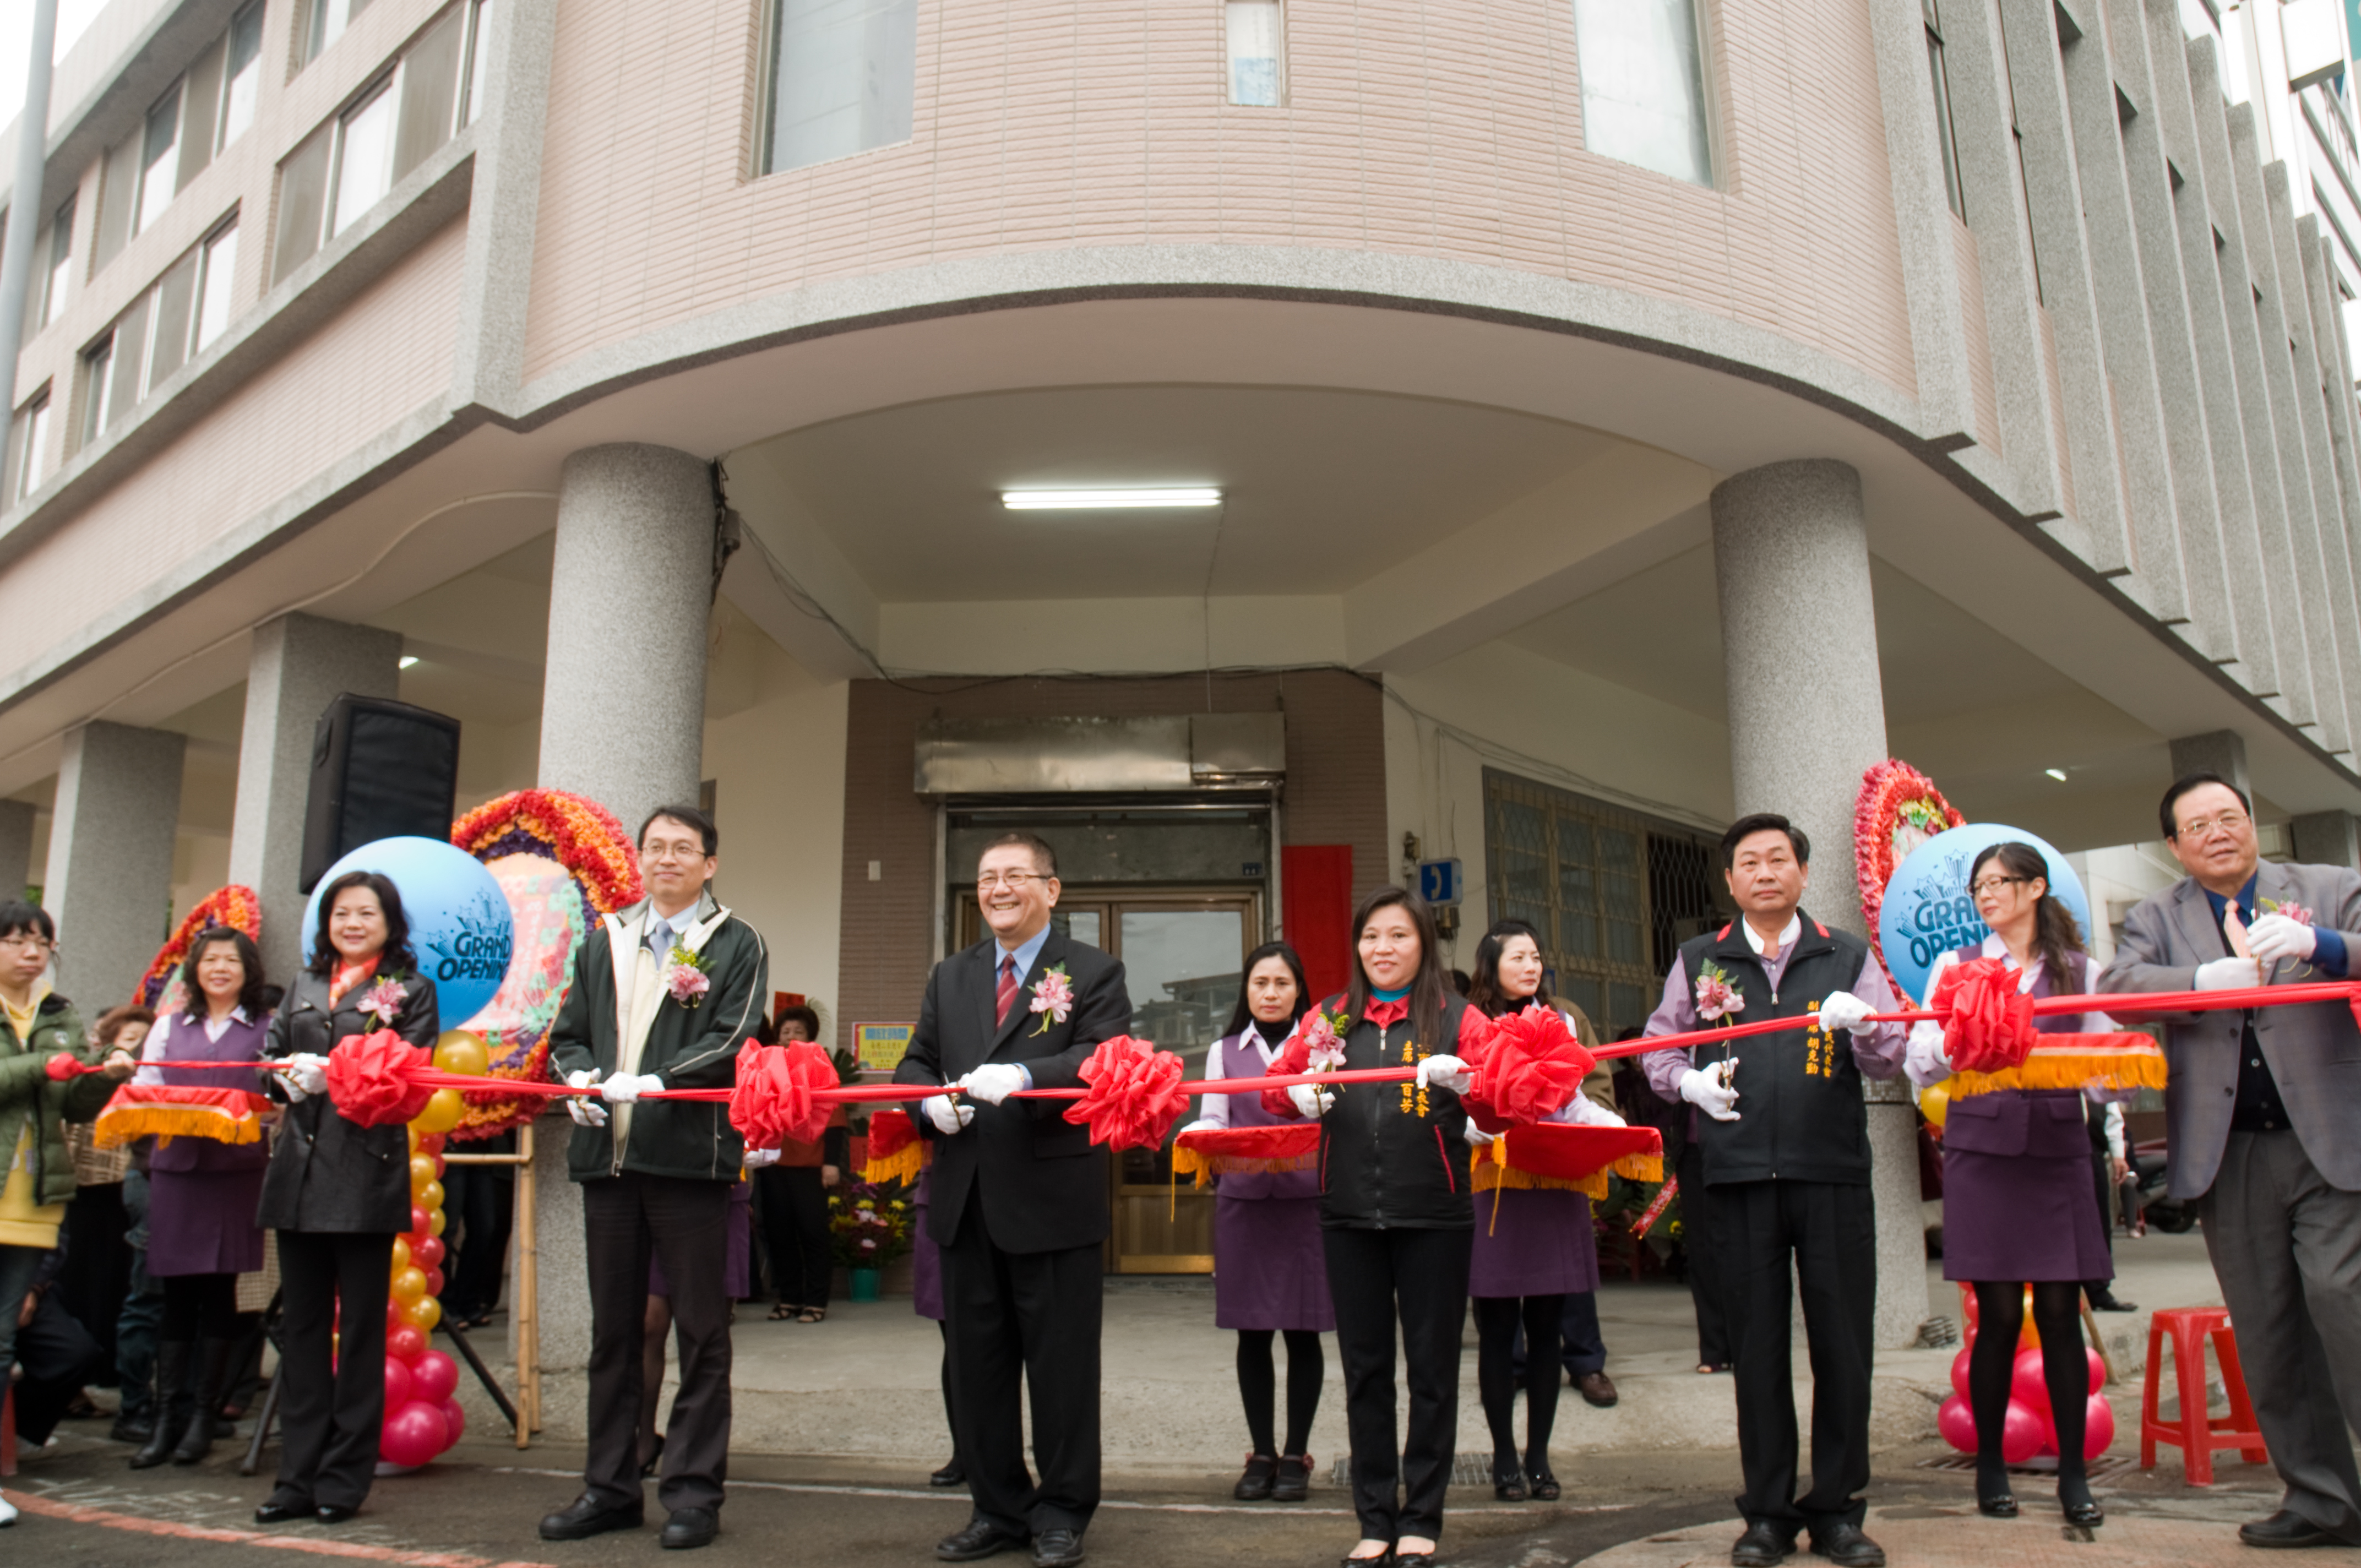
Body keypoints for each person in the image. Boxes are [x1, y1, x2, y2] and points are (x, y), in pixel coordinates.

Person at [2098, 772, 2361, 1550]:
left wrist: (2326, 946)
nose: (2218, 832)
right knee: (2269, 1330)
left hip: (2329, 1143)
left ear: (2251, 823)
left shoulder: (2328, 886)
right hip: (2229, 1153)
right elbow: (2120, 987)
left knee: (2345, 1304)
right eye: (2198, 825)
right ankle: (2322, 1502)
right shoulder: (2158, 916)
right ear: (2175, 847)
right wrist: (2201, 982)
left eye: (2230, 817)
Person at [1638, 815, 1907, 1568]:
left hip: (1831, 1176)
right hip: (1738, 1177)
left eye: (1778, 859)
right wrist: (1688, 1082)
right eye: (1749, 862)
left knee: (1843, 1349)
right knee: (1756, 1352)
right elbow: (1658, 1052)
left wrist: (1864, 1029)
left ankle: (1840, 1512)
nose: (1764, 872)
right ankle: (1766, 1513)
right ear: (1729, 881)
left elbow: (1889, 1061)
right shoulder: (1700, 960)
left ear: (1801, 872)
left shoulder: (1846, 956)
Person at [892, 831, 1130, 1568]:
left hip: (1052, 1201)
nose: (999, 888)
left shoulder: (1092, 970)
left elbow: (1102, 1056)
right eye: (988, 877)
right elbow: (915, 1063)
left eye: (1016, 876)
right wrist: (926, 1107)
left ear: (1051, 890)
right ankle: (997, 1507)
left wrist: (1029, 1078)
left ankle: (1062, 1510)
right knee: (977, 1369)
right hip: (967, 1201)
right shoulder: (951, 975)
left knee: (1061, 1371)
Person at [540, 804, 766, 1553]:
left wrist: (658, 1080)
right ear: (641, 859)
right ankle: (609, 1487)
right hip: (608, 1161)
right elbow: (568, 1034)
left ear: (710, 864)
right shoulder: (605, 937)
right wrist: (577, 1080)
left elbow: (735, 1037)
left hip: (689, 1163)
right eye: (656, 847)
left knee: (702, 1333)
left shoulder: (736, 942)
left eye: (684, 849)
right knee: (614, 1334)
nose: (667, 859)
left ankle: (695, 1493)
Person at [1265, 887, 1494, 1568]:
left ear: (1423, 942)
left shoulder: (1458, 1016)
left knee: (1431, 1371)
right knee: (1366, 1371)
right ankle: (1374, 1518)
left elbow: (1503, 1090)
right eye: (1371, 937)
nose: (1383, 949)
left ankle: (1422, 1516)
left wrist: (1468, 1084)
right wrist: (1296, 1091)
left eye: (1398, 936)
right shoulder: (1330, 1016)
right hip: (1346, 1214)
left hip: (1435, 1214)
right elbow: (1273, 1086)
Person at [1901, 842, 2113, 1526]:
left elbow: (2109, 1071)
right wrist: (1956, 1042)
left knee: (2058, 1313)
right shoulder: (1958, 966)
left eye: (1999, 882)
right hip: (1982, 1151)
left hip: (2054, 1149)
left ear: (2036, 886)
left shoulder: (2081, 971)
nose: (1987, 895)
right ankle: (1990, 1464)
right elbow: (1918, 1060)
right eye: (1978, 886)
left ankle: (2074, 1474)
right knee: (1993, 1318)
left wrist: (2084, 1066)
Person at [255, 873, 439, 1526]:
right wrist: (283, 1082)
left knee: (360, 1332)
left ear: (390, 922)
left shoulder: (411, 991)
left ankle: (342, 1480)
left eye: (367, 912)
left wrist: (329, 1069)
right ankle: (295, 1477)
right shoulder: (303, 985)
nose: (352, 922)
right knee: (301, 1332)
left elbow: (407, 1076)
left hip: (364, 1173)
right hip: (297, 1176)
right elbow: (271, 1061)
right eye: (340, 912)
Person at [1463, 919, 1624, 1502]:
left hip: (1556, 1185)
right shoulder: (1471, 1025)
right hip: (1498, 1188)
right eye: (1517, 958)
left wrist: (1610, 1128)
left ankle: (1539, 1459)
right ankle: (1504, 1458)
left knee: (1548, 1331)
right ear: (1492, 966)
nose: (1530, 967)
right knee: (1498, 1331)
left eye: (1536, 956)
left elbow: (1584, 1093)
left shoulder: (1565, 1020)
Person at [1178, 940, 1328, 1503]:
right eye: (1260, 983)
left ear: (1298, 991)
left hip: (1305, 1203)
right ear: (1247, 990)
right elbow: (1213, 1117)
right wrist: (1197, 1137)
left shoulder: (1321, 1047)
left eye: (1282, 984)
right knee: (1252, 1333)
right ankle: (1260, 1451)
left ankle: (1296, 1453)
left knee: (1303, 1330)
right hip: (1243, 1205)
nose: (1270, 993)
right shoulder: (1222, 1051)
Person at [0, 899, 130, 1529]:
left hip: (31, 1204)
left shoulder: (59, 1014)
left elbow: (73, 1104)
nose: (31, 951)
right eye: (17, 939)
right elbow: (27, 1077)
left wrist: (107, 1075)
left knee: (1, 1345)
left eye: (41, 941)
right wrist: (36, 1066)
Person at [130, 928, 272, 1469]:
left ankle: (202, 1421)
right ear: (194, 969)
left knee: (220, 1294)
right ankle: (166, 1418)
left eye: (230, 960)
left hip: (234, 1173)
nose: (219, 968)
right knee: (174, 1296)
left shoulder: (265, 1028)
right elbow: (146, 1088)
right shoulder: (168, 1026)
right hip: (177, 1172)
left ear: (248, 969)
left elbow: (274, 1099)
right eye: (210, 959)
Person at [55, 1006, 149, 1430]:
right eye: (131, 1039)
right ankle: (75, 1387)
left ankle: (110, 1376)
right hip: (83, 1198)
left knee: (118, 1289)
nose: (138, 1049)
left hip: (128, 1196)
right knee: (79, 1289)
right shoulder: (92, 1078)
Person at [754, 1004, 847, 1324]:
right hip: (773, 1164)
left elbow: (835, 1119)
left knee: (813, 1234)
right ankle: (790, 1299)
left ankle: (816, 1302)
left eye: (798, 1032)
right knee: (778, 1235)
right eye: (785, 1032)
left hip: (811, 1165)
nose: (790, 1037)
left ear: (811, 1037)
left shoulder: (820, 1068)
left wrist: (831, 1163)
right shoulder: (767, 1068)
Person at [440, 1126, 516, 1330]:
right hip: (449, 1145)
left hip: (482, 1145)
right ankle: (446, 1304)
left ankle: (468, 1301)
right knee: (447, 1231)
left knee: (485, 1229)